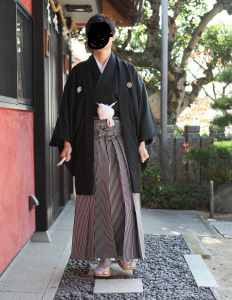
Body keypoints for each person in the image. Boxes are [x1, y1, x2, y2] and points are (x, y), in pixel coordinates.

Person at [49, 14, 159, 277]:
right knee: (99, 200)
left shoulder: (128, 71)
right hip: (91, 144)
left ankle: (124, 254)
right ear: (89, 38)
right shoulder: (78, 73)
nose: (99, 37)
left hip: (121, 142)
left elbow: (141, 109)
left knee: (123, 198)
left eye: (103, 32)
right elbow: (69, 111)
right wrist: (67, 142)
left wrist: (142, 144)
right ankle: (104, 258)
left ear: (112, 36)